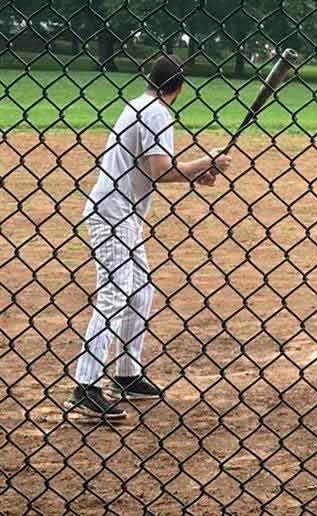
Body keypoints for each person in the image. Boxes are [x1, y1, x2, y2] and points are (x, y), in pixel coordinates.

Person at [66, 56, 232, 421]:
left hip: (120, 213)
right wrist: (207, 162)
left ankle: (127, 374)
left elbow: (151, 168)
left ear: (151, 80)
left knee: (140, 291)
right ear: (179, 88)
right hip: (114, 213)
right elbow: (161, 170)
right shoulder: (157, 113)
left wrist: (196, 172)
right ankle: (85, 386)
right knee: (115, 294)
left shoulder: (140, 105)